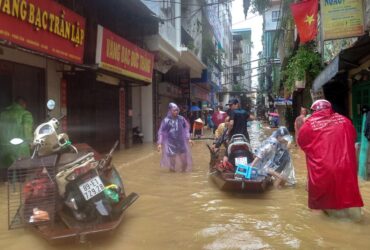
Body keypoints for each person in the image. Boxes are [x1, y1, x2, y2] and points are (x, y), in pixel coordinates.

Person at [298, 99, 363, 220]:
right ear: (330, 109)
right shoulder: (345, 121)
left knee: (318, 202)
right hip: (346, 166)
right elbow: (352, 138)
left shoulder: (308, 124)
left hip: (323, 169)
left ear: (313, 110)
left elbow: (302, 144)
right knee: (349, 194)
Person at [0, 97, 34, 182]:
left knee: (7, 178)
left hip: (3, 149)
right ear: (23, 104)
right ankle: (18, 191)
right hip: (20, 149)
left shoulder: (2, 114)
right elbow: (27, 129)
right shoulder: (25, 114)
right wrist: (31, 142)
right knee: (21, 176)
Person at [157, 103, 193, 172]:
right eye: (174, 110)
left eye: (177, 110)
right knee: (172, 165)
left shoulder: (181, 119)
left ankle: (183, 177)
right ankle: (172, 177)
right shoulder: (166, 120)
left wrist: (189, 139)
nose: (176, 112)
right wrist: (159, 143)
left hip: (181, 143)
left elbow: (186, 129)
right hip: (171, 144)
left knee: (185, 163)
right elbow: (161, 132)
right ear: (170, 110)